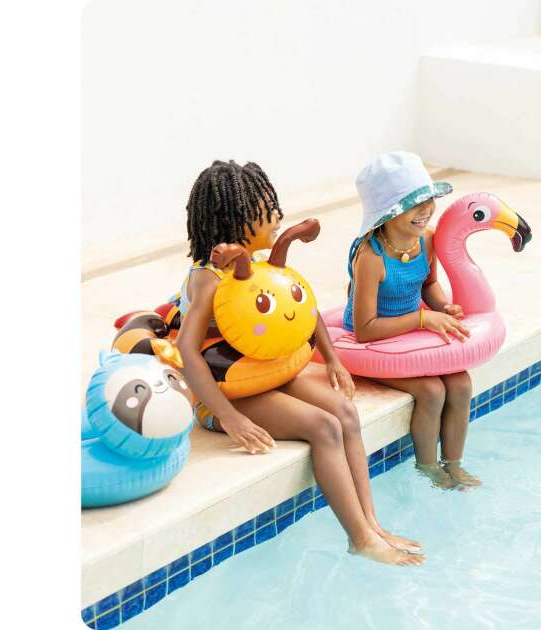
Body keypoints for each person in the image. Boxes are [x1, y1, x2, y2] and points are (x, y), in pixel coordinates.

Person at [174, 160, 423, 565]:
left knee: (345, 411)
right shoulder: (208, 278)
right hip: (226, 392)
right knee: (323, 426)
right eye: (267, 209)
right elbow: (187, 351)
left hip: (265, 372)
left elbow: (302, 308)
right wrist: (229, 418)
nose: (278, 216)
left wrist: (332, 359)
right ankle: (359, 538)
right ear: (236, 218)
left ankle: (373, 523)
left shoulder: (259, 263)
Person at [343, 151, 480, 490]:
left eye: (428, 200)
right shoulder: (371, 257)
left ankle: (454, 465)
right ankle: (429, 467)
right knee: (431, 391)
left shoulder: (427, 239)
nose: (425, 210)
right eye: (413, 204)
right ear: (386, 213)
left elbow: (428, 284)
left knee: (461, 384)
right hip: (377, 337)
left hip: (410, 329)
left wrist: (443, 307)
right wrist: (421, 319)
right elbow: (364, 330)